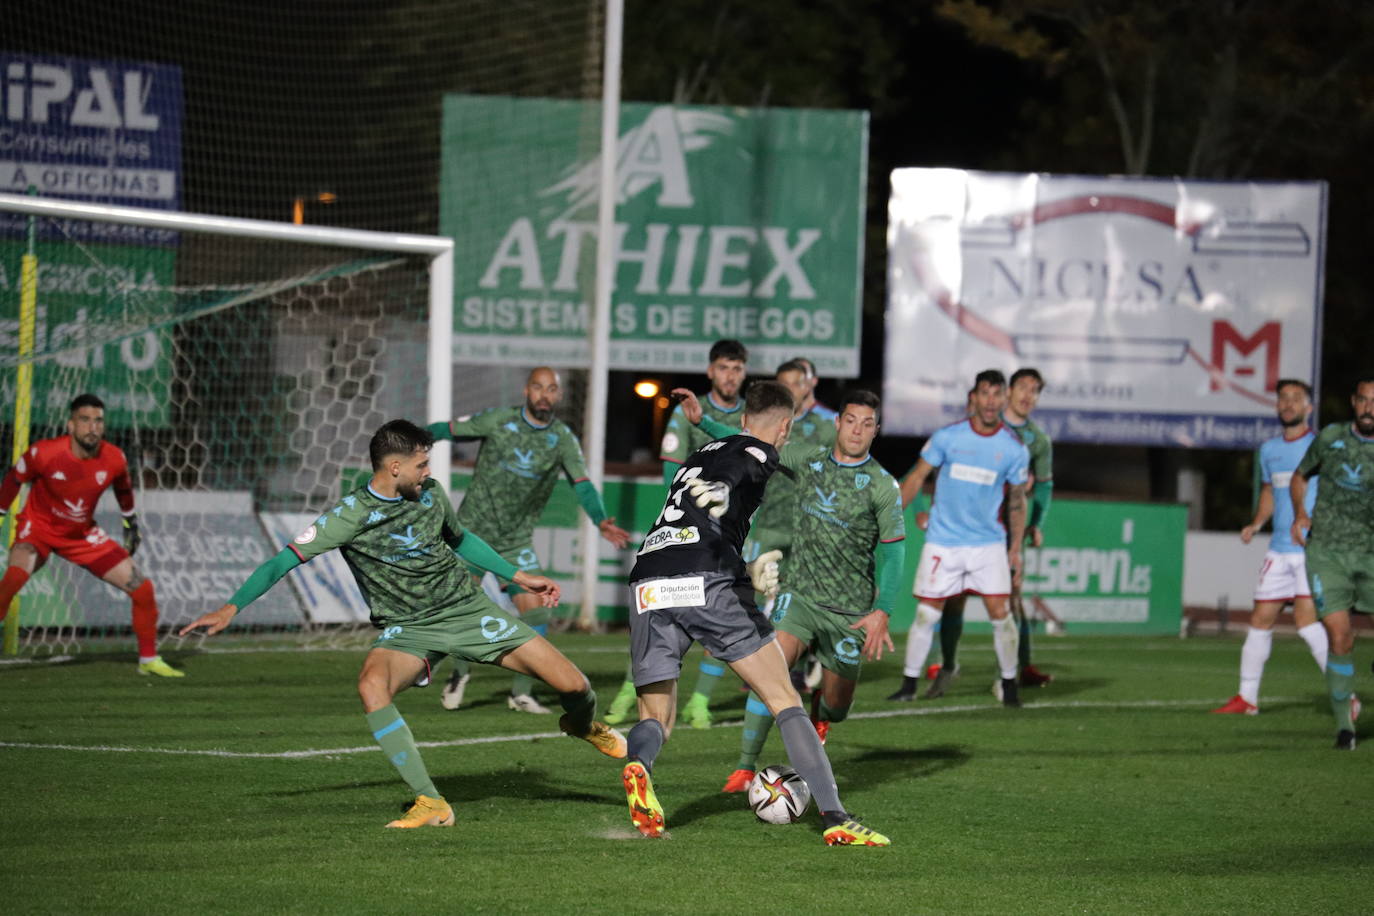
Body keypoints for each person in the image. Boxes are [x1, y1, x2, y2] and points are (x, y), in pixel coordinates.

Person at [177, 420, 626, 827]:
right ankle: (430, 801)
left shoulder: (432, 497)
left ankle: (583, 725)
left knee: (576, 687)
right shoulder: (348, 516)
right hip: (409, 629)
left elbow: (462, 539)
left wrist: (518, 576)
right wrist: (230, 608)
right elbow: (283, 561)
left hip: (469, 611)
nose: (427, 472)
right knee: (372, 685)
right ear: (394, 467)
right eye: (421, 464)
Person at [620, 380, 890, 845]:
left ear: (744, 417)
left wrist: (742, 562)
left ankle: (639, 765)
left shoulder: (702, 451)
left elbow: (706, 501)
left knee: (658, 717)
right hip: (704, 578)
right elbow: (736, 478)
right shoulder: (762, 456)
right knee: (784, 696)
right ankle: (836, 818)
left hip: (648, 578)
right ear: (784, 426)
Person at [714, 389, 905, 793]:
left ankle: (822, 710)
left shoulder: (882, 486)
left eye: (866, 424)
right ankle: (745, 768)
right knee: (771, 670)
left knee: (837, 707)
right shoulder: (810, 460)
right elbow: (755, 444)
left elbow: (895, 553)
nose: (857, 430)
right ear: (837, 422)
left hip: (849, 610)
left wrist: (882, 610)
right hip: (798, 594)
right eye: (850, 420)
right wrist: (701, 421)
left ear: (876, 431)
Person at [427, 367, 630, 714]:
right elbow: (444, 430)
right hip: (473, 534)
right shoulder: (498, 421)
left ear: (559, 396)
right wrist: (408, 443)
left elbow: (581, 482)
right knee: (461, 610)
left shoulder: (563, 438)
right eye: (538, 387)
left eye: (551, 389)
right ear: (526, 390)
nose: (544, 395)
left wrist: (600, 521)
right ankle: (460, 673)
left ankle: (520, 693)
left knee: (537, 616)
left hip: (516, 539)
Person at [606, 339, 749, 729]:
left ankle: (699, 701)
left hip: (729, 535)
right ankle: (627, 689)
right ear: (710, 371)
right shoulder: (688, 413)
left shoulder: (747, 420)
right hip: (685, 532)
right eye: (723, 367)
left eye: (736, 369)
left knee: (725, 614)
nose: (730, 376)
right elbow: (672, 473)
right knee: (658, 614)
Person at [0, 394, 181, 676]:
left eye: (98, 421)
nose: (92, 427)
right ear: (70, 426)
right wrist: (0, 513)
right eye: (85, 420)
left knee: (142, 588)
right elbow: (14, 478)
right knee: (14, 577)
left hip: (81, 535)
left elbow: (123, 487)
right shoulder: (44, 453)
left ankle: (148, 660)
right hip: (39, 529)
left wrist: (129, 522)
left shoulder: (113, 458)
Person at [887, 369, 1030, 707]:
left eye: (998, 394)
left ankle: (1009, 685)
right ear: (974, 398)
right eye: (985, 393)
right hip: (944, 542)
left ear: (1005, 399)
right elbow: (917, 476)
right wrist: (890, 520)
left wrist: (1014, 548)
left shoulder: (1013, 448)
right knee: (927, 614)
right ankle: (909, 683)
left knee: (1001, 612)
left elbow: (1017, 502)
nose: (991, 401)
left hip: (987, 544)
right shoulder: (947, 438)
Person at [926, 368, 1055, 699]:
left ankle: (1014, 672)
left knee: (1011, 598)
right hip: (966, 528)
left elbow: (1042, 488)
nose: (1027, 395)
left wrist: (1034, 524)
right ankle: (949, 664)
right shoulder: (982, 424)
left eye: (1035, 391)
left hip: (1004, 530)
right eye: (1022, 388)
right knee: (953, 598)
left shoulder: (1038, 441)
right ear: (1007, 392)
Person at [1213, 379, 1328, 715]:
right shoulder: (1269, 450)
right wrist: (1256, 523)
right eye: (1283, 399)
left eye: (1296, 399)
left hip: (1309, 549)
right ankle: (1247, 698)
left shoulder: (1321, 447)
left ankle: (1345, 695)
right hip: (1278, 549)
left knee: (1307, 623)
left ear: (1309, 407)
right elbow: (1269, 492)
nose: (1288, 404)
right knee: (1261, 619)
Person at [1290, 375, 1374, 750]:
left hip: (1370, 554)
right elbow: (1299, 476)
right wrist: (1299, 514)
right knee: (1340, 636)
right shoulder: (1330, 438)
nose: (1369, 408)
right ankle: (1345, 728)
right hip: (1326, 552)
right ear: (1353, 402)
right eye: (1364, 400)